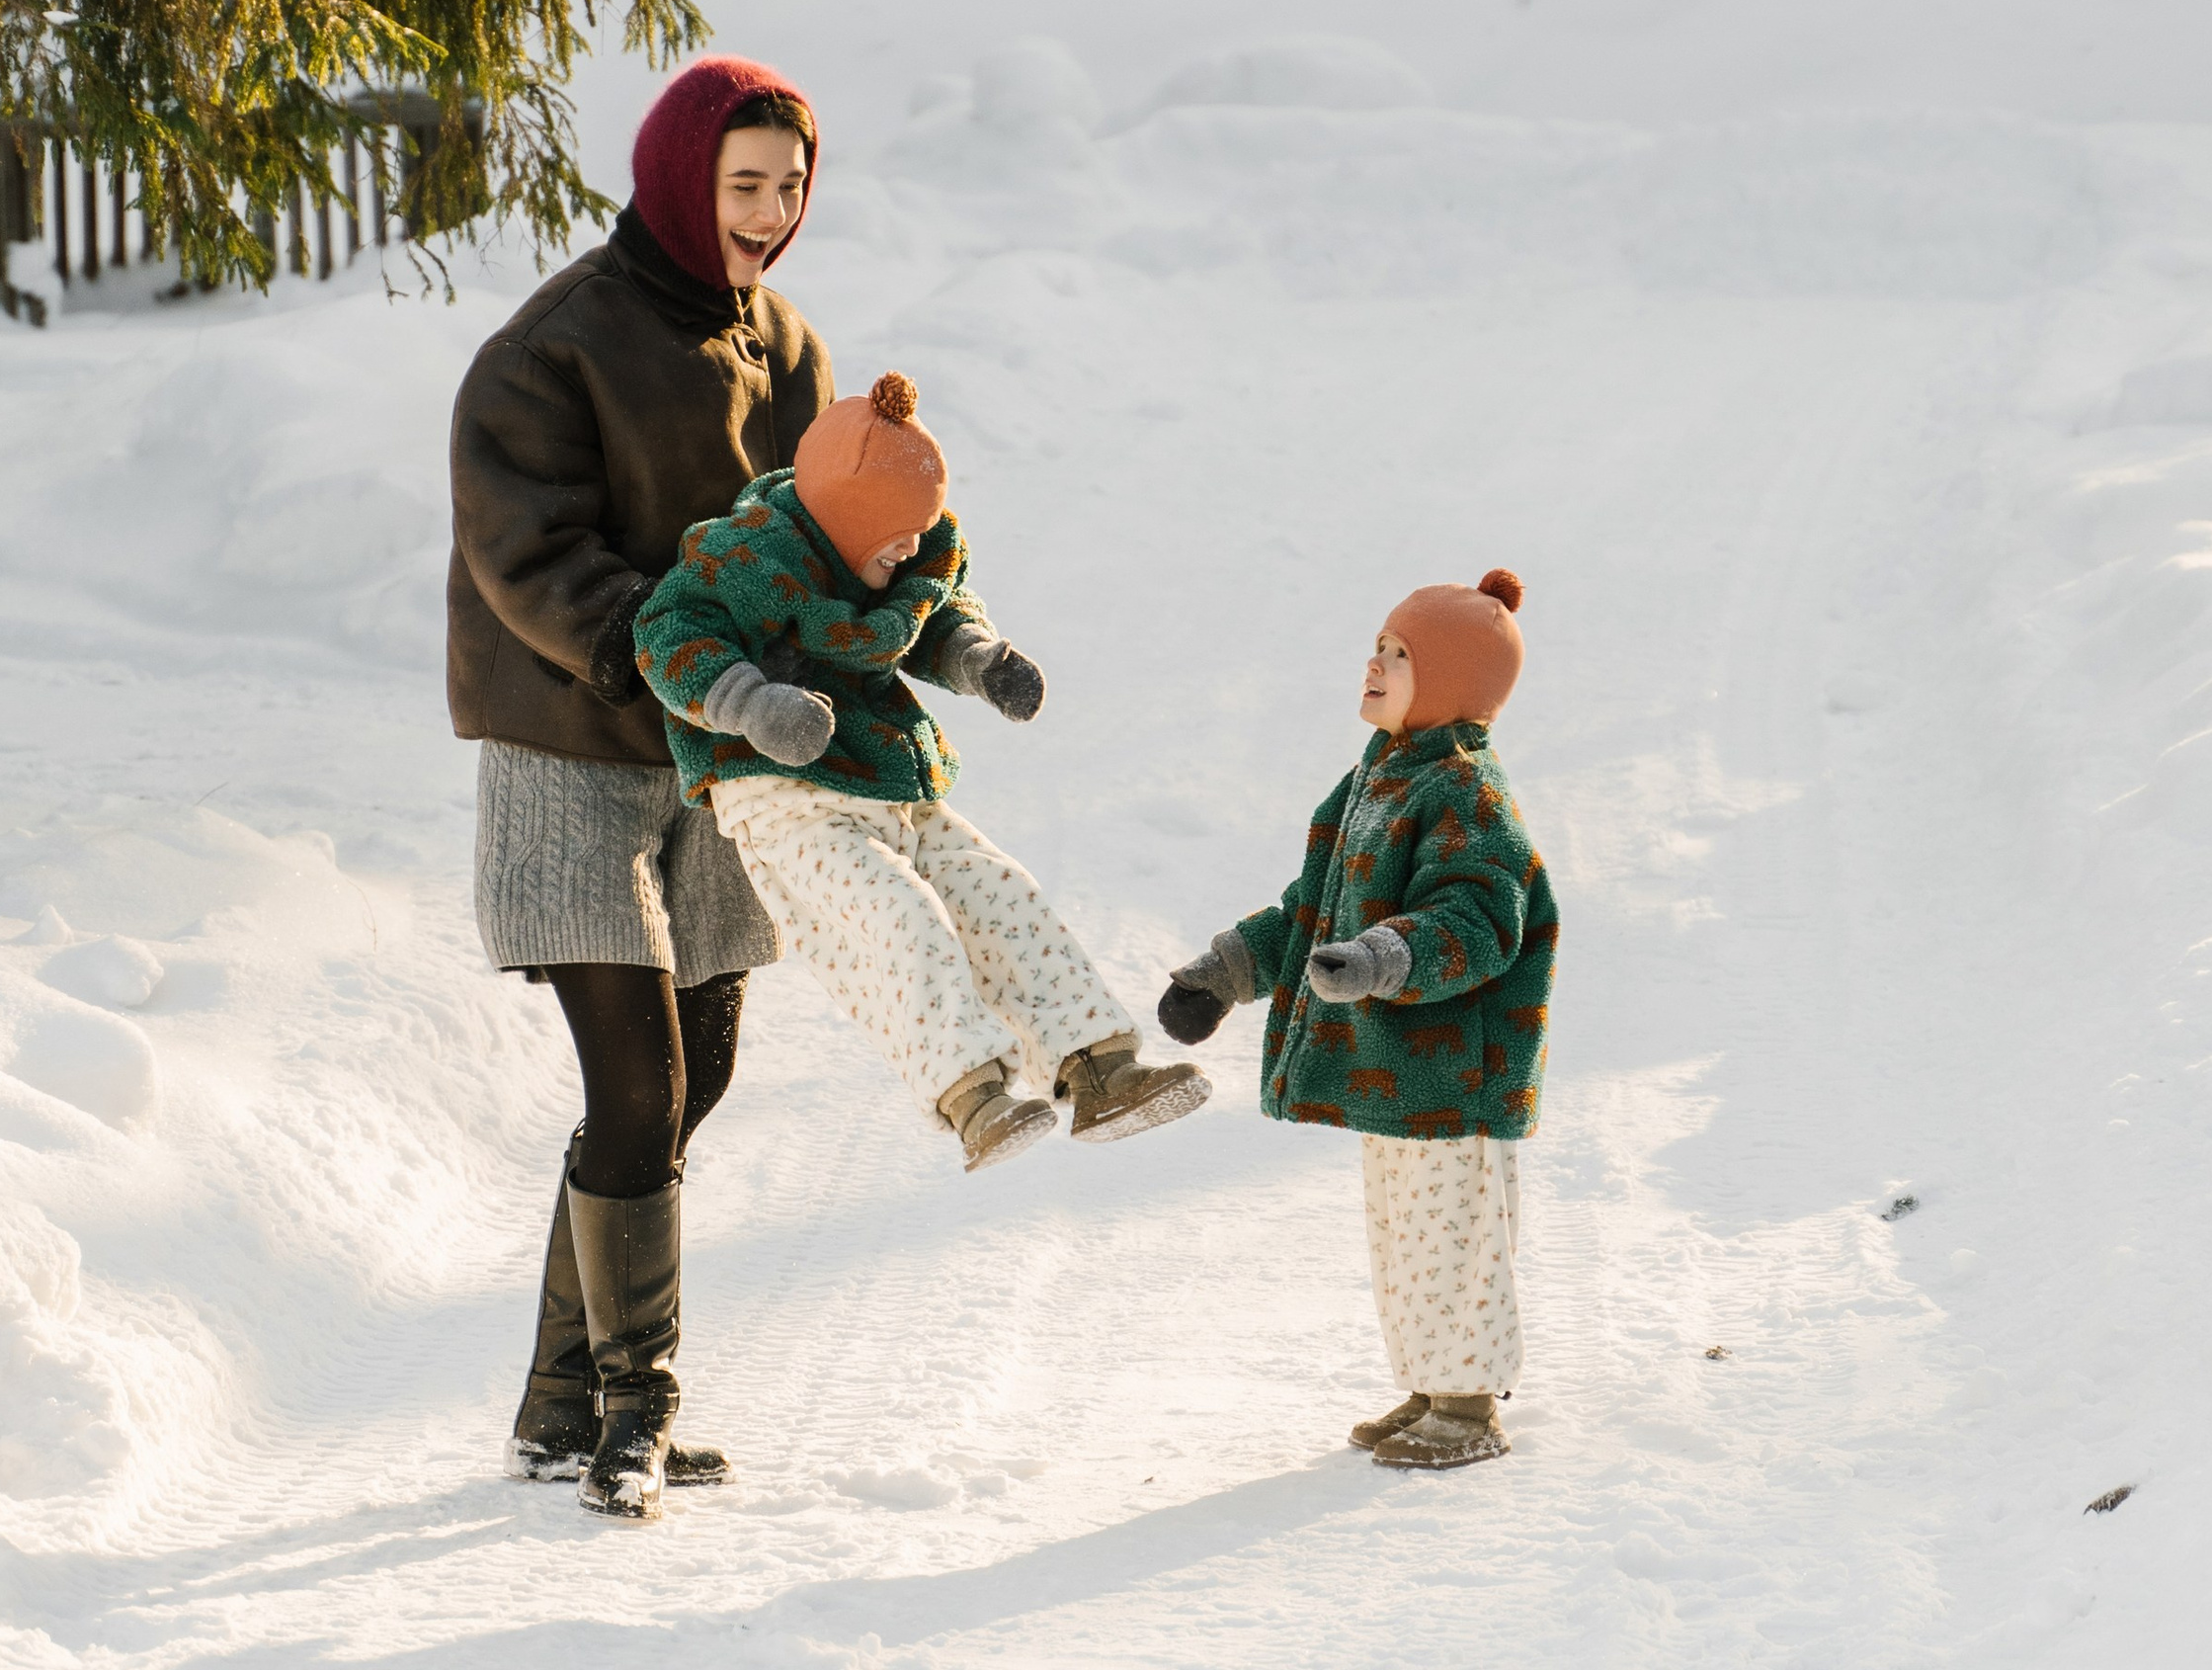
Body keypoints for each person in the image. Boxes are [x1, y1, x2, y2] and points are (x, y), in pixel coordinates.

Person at [447, 50, 831, 1522]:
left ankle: (558, 1406)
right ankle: (636, 1409)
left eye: (790, 189)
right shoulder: (552, 351)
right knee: (637, 1082)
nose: (770, 213)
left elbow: (822, 534)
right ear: (681, 180)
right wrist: (660, 654)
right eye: (746, 186)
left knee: (696, 1077)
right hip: (575, 747)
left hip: (716, 761)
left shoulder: (786, 349)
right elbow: (526, 552)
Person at [635, 368, 1209, 1180]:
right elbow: (668, 631)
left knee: (999, 892)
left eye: (918, 530)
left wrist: (981, 662)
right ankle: (972, 1094)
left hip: (884, 775)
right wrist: (752, 703)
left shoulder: (908, 556)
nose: (910, 548)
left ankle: (1098, 1066)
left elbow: (938, 616)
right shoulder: (749, 557)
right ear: (843, 518)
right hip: (781, 795)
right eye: (892, 533)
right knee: (898, 917)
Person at [1157, 572, 1556, 1472]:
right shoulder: (1374, 781)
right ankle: (1430, 1385)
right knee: (1407, 1241)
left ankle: (1469, 1404)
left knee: (1456, 1236)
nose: (1375, 663)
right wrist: (1222, 974)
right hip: (1392, 1072)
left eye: (1402, 655)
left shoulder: (1465, 794)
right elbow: (1313, 911)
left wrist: (1382, 958)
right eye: (1379, 645)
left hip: (1455, 1076)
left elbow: (1477, 922)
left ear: (1451, 680)